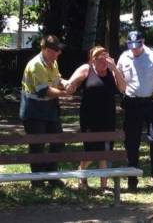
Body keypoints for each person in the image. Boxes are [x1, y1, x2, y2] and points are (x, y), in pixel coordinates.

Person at [117, 30, 153, 191]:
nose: (134, 49)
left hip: (152, 103)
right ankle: (132, 177)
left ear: (143, 42)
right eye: (131, 46)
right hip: (132, 104)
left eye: (137, 45)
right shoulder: (124, 57)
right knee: (131, 142)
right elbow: (119, 79)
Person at [65, 46, 125, 190]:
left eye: (107, 58)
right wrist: (72, 83)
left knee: (105, 151)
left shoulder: (111, 71)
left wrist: (115, 69)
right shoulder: (87, 69)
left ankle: (103, 187)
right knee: (92, 151)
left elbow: (123, 88)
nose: (105, 62)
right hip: (90, 119)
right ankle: (82, 173)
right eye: (101, 59)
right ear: (93, 59)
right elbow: (70, 84)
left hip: (108, 117)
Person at [19, 35, 69, 189]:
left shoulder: (53, 62)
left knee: (58, 141)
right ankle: (37, 180)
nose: (59, 53)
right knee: (37, 146)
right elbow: (44, 91)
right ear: (47, 50)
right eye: (56, 50)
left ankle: (51, 175)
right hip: (33, 110)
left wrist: (67, 83)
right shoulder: (36, 65)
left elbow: (57, 80)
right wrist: (65, 93)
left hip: (50, 109)